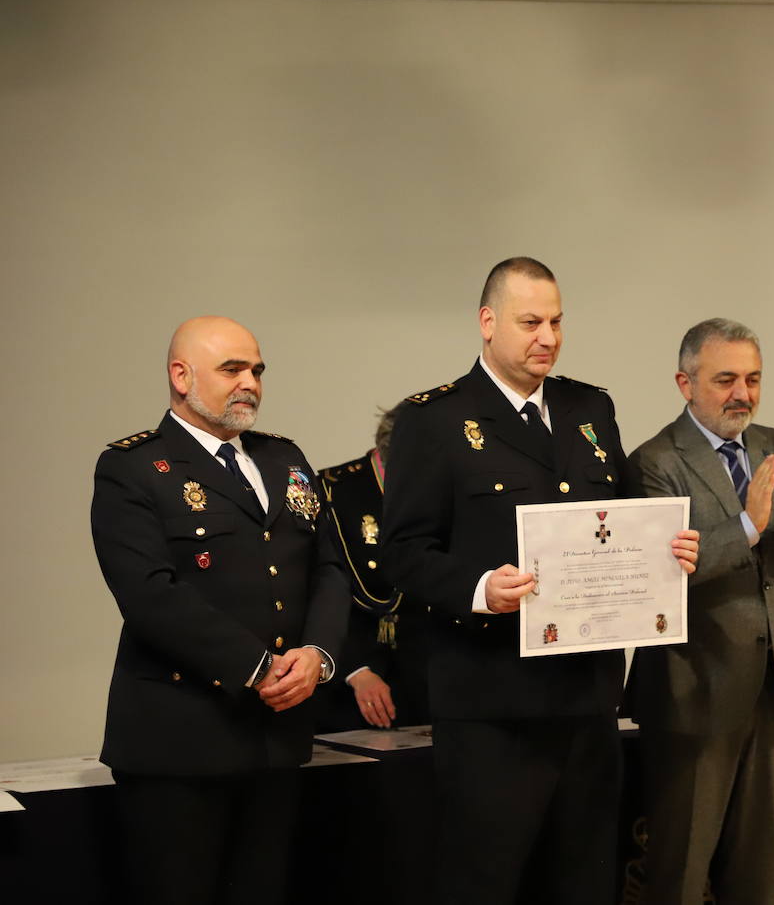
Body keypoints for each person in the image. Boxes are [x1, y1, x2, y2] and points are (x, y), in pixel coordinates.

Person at [380, 256, 700, 905]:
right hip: (492, 706)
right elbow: (404, 554)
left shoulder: (590, 407)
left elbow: (619, 521)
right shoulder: (435, 420)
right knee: (486, 883)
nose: (548, 338)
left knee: (585, 882)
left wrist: (667, 550)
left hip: (586, 700)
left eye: (556, 322)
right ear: (487, 322)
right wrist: (479, 590)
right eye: (530, 322)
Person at [90, 316, 349, 905]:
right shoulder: (133, 468)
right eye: (232, 369)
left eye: (256, 369)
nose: (250, 382)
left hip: (274, 739)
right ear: (181, 376)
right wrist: (258, 667)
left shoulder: (284, 457)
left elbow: (331, 567)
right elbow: (149, 594)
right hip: (179, 741)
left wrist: (319, 655)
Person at [624, 318, 774, 905]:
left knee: (761, 869)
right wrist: (747, 524)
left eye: (752, 379)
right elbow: (662, 571)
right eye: (725, 380)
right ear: (685, 383)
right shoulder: (654, 462)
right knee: (679, 868)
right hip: (693, 690)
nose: (742, 394)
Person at [315, 404, 430, 731]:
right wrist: (356, 670)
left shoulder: (436, 489)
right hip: (349, 678)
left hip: (426, 674)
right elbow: (317, 588)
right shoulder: (330, 489)